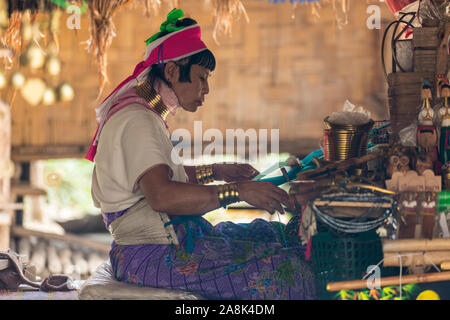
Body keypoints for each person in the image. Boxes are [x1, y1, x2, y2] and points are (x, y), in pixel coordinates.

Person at [87, 8, 316, 300]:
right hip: (151, 256)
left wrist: (217, 171)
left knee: (274, 236)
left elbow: (161, 179)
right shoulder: (137, 120)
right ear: (171, 71)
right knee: (289, 273)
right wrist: (238, 191)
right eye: (200, 77)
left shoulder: (144, 116)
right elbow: (161, 195)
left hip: (170, 241)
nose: (206, 89)